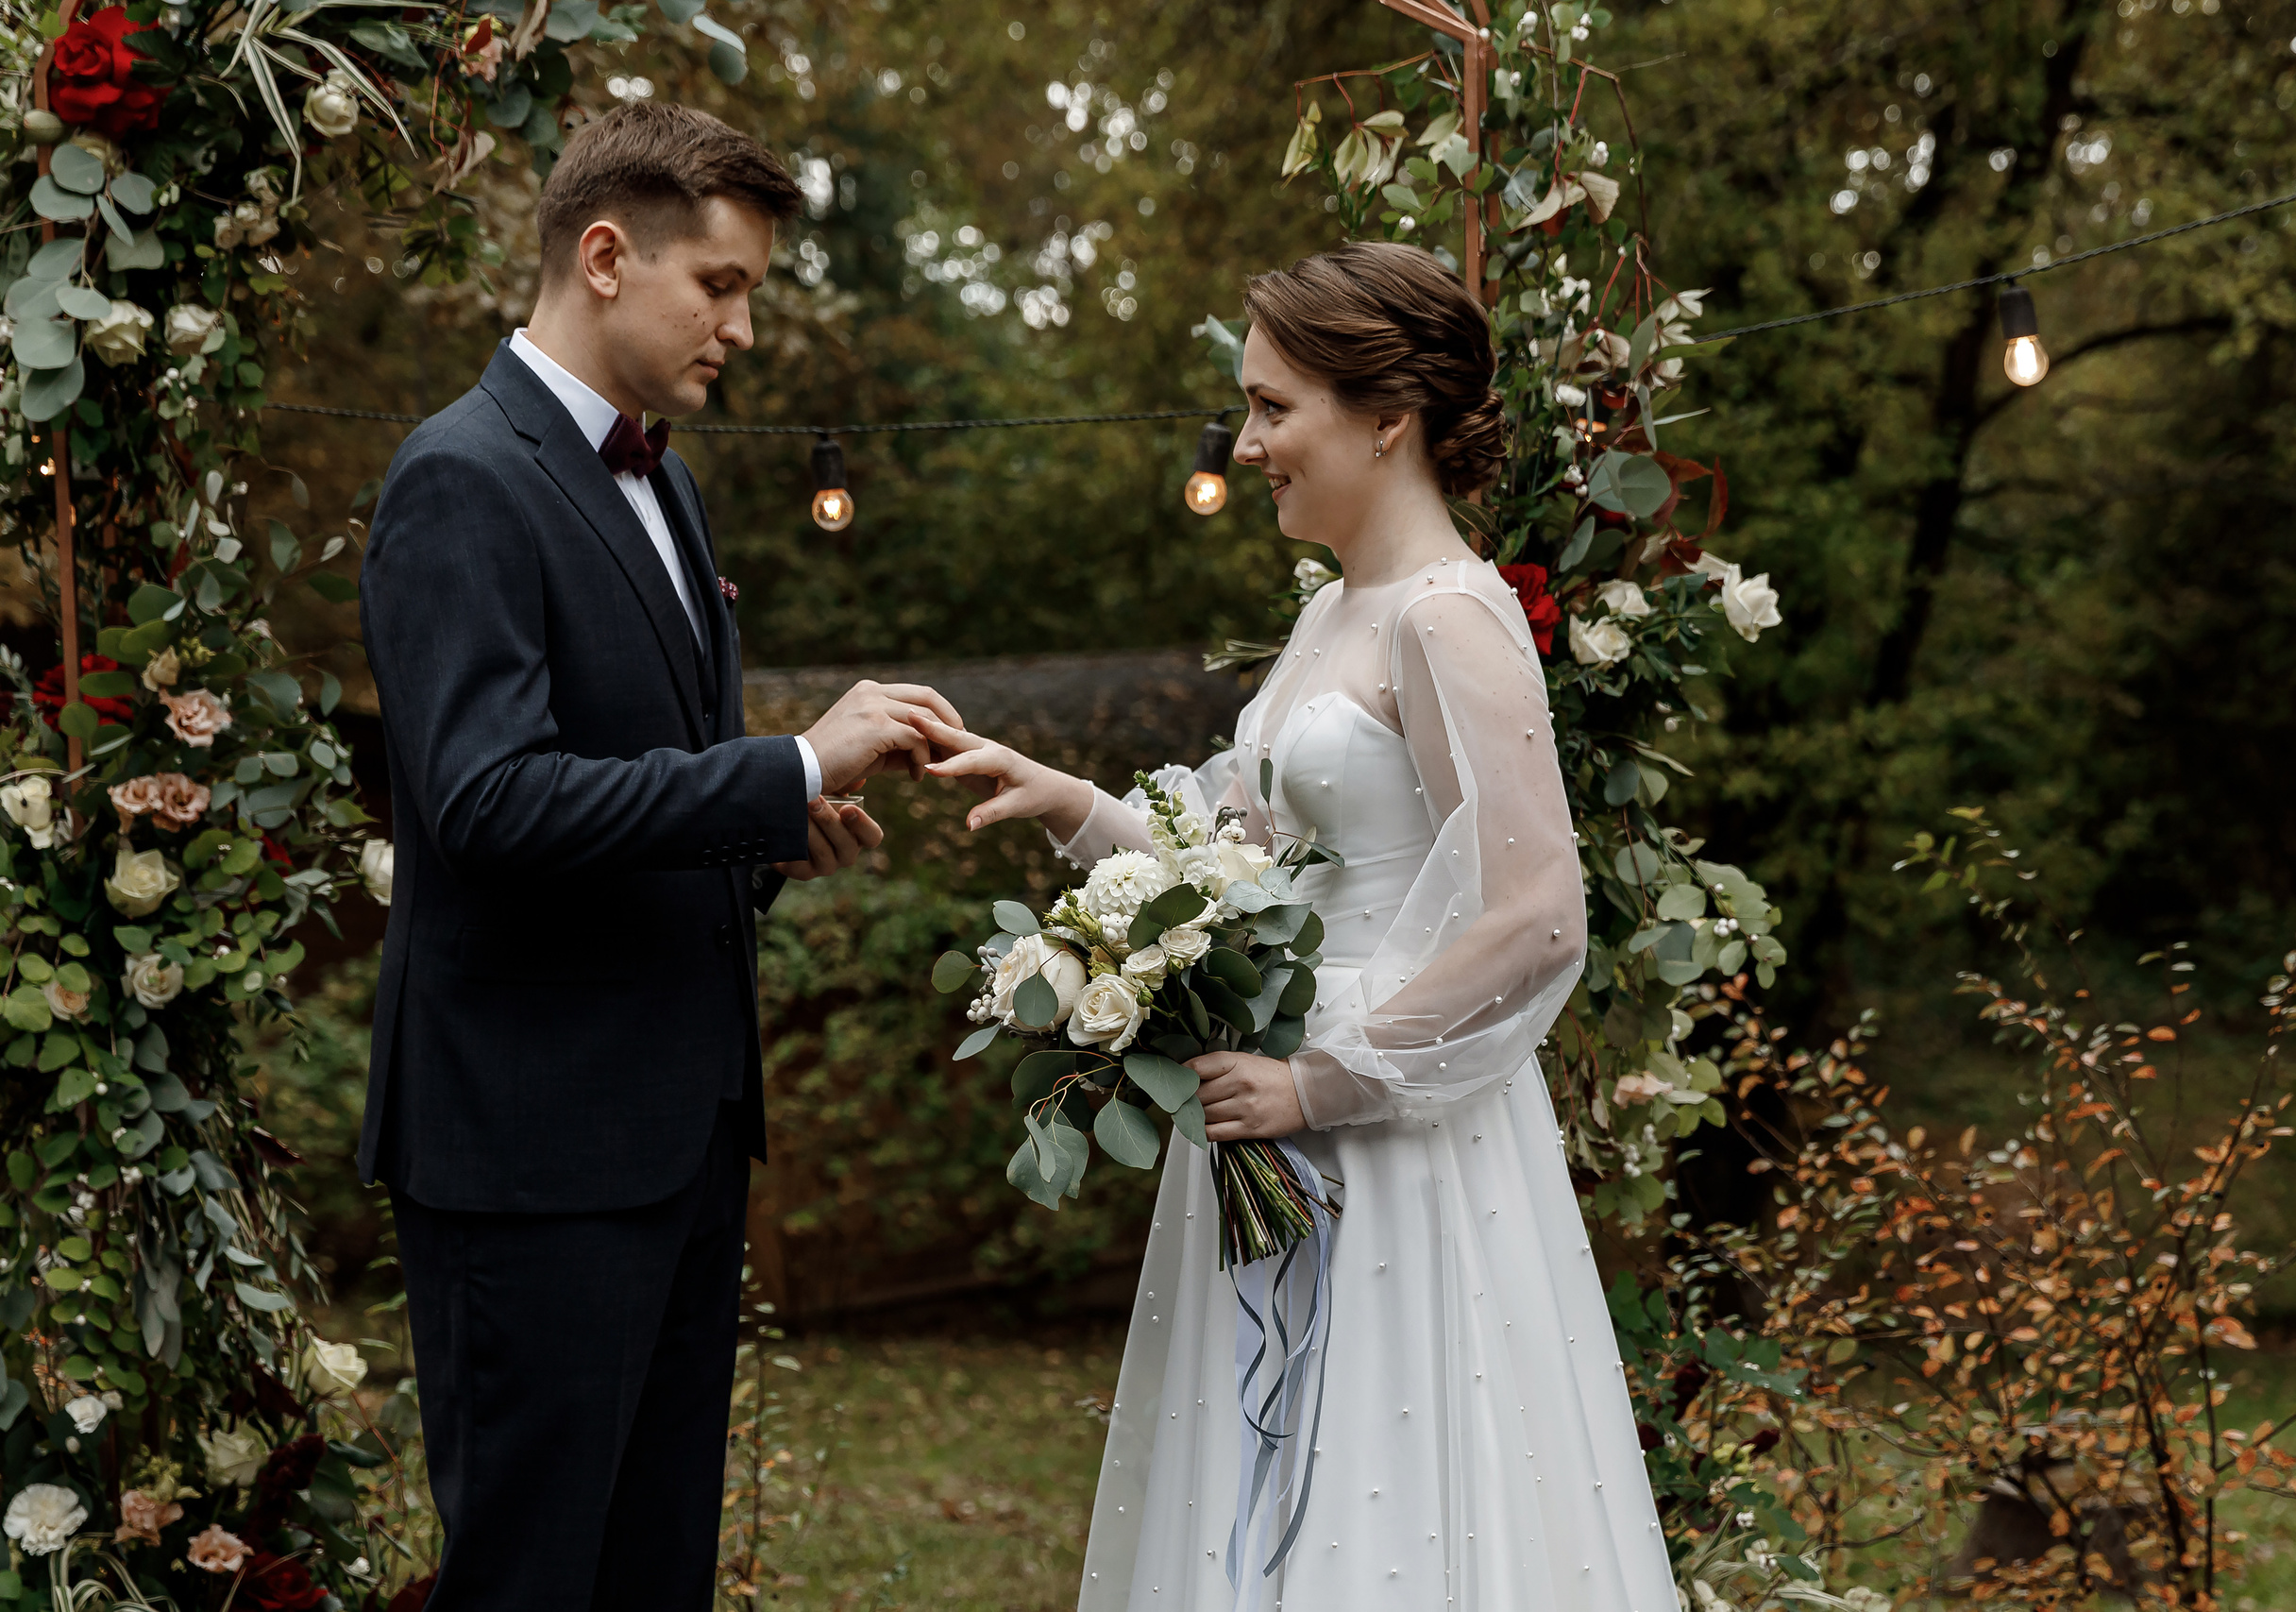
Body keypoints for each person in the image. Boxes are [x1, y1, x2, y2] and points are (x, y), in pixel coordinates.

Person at [922, 242, 1678, 1610]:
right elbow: (1238, 873)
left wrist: (1322, 1082)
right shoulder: (1334, 609)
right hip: (1269, 1125)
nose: (1248, 443)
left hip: (1389, 1143)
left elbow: (1537, 915)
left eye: (1274, 407)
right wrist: (1068, 802)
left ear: (1386, 415)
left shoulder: (1449, 619)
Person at [357, 102, 960, 1611]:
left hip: (676, 1141)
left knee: (654, 1581)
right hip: (530, 1151)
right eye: (722, 285)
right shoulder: (460, 475)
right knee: (531, 1582)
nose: (743, 329)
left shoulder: (672, 486)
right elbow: (487, 805)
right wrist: (789, 762)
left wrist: (766, 833)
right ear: (607, 256)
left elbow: (632, 785)